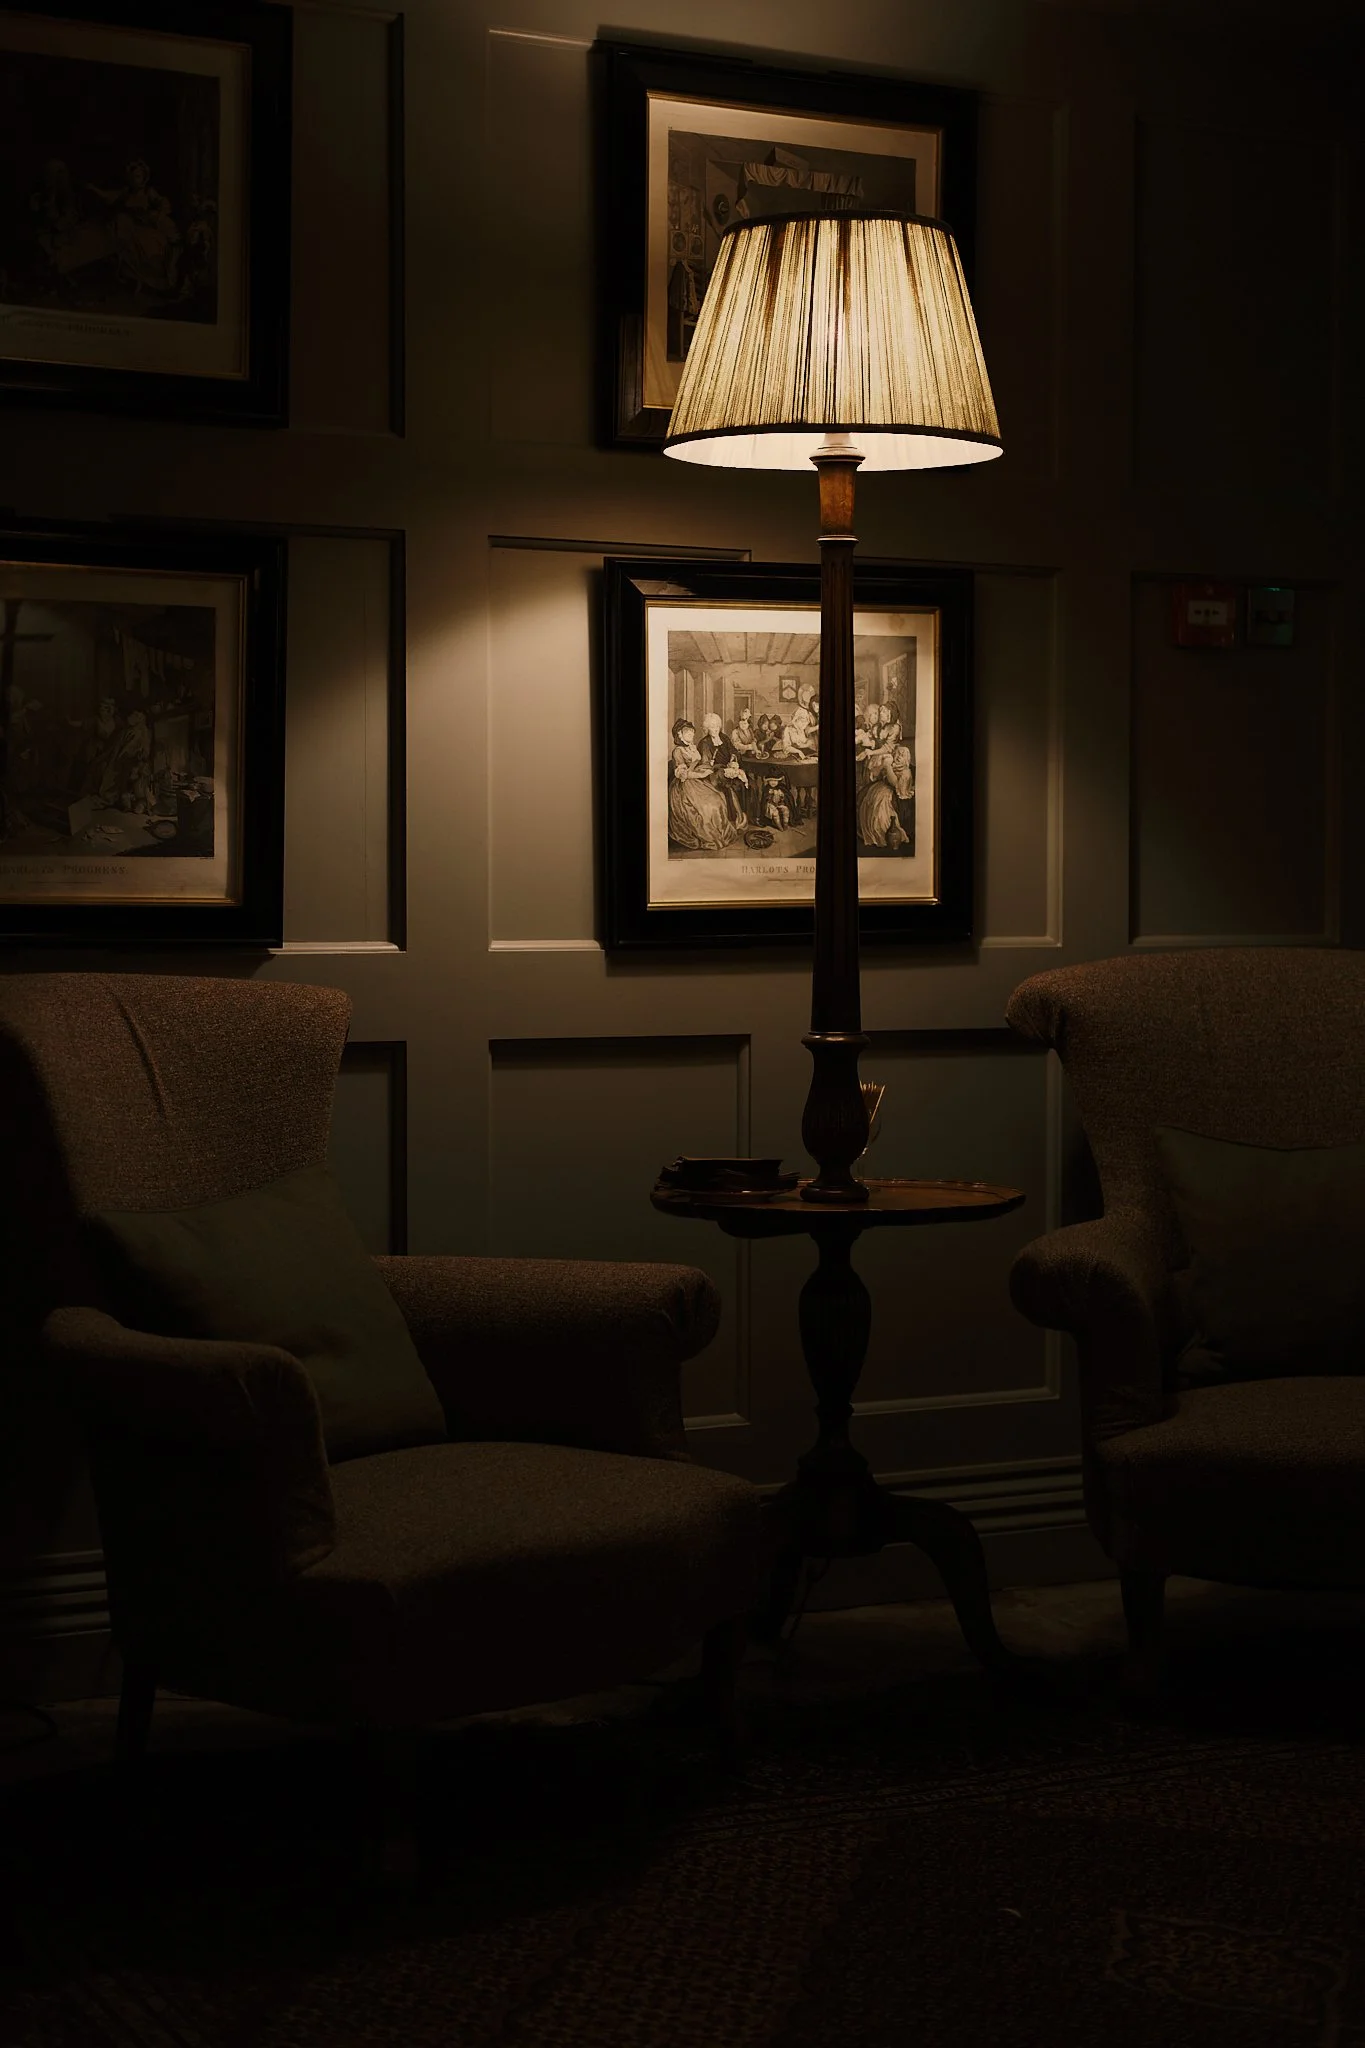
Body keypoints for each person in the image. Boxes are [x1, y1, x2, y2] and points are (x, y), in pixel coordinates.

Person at [667, 718, 737, 852]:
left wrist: (707, 767)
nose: (691, 735)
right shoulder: (678, 751)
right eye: (688, 733)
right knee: (706, 807)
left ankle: (721, 833)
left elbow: (699, 764)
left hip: (698, 782)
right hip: (685, 786)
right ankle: (710, 837)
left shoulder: (692, 747)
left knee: (719, 798)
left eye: (692, 732)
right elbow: (683, 774)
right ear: (680, 735)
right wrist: (701, 775)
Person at [858, 742, 915, 849]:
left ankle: (881, 831)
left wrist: (888, 767)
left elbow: (894, 784)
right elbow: (876, 775)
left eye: (901, 755)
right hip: (881, 787)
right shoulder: (893, 765)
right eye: (897, 754)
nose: (898, 757)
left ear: (907, 758)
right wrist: (881, 766)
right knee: (868, 799)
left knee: (879, 803)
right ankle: (869, 829)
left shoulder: (906, 772)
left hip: (892, 791)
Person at [698, 711, 747, 824]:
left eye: (717, 726)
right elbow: (706, 765)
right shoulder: (704, 743)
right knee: (731, 787)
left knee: (750, 786)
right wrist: (723, 769)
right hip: (716, 774)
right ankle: (732, 819)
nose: (715, 729)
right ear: (707, 728)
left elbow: (734, 751)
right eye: (712, 727)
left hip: (730, 769)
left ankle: (748, 817)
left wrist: (734, 761)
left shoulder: (724, 738)